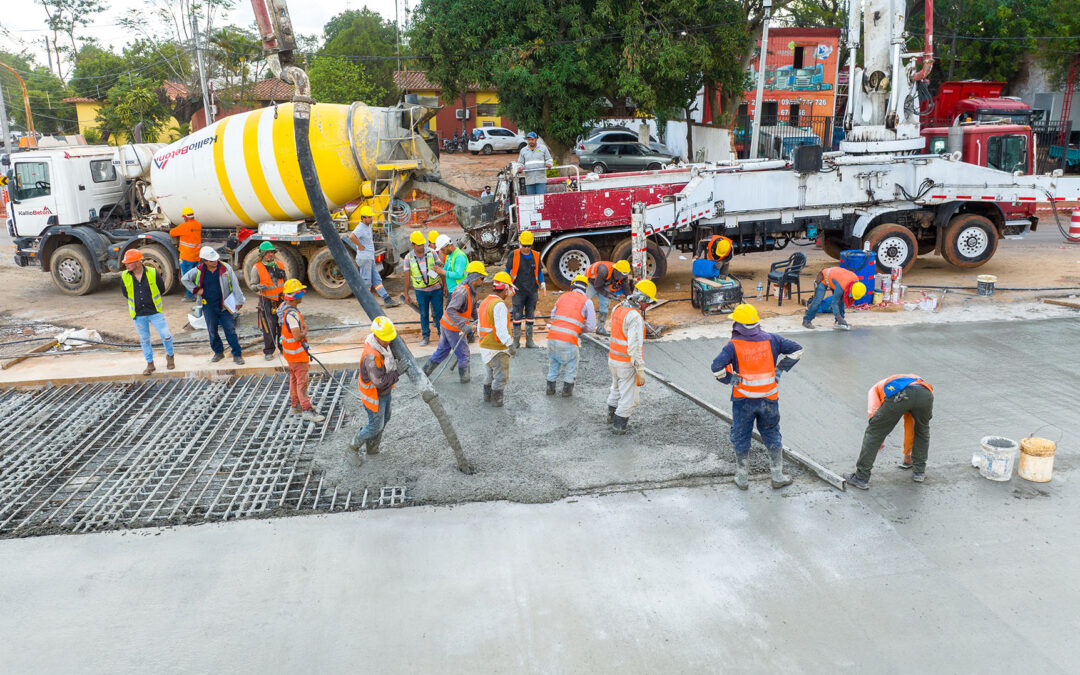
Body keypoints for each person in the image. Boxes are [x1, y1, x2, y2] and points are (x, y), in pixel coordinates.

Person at [710, 304, 804, 490]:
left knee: (741, 434)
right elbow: (797, 350)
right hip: (769, 399)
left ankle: (742, 477)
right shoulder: (772, 340)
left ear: (738, 325)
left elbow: (716, 368)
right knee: (771, 433)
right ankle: (777, 476)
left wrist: (731, 379)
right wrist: (780, 369)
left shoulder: (733, 346)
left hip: (743, 400)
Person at [847, 374, 935, 489]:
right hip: (925, 393)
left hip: (901, 395)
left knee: (873, 432)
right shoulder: (911, 379)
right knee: (922, 430)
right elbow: (911, 426)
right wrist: (908, 456)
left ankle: (861, 477)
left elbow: (875, 417)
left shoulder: (874, 389)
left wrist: (880, 438)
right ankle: (919, 472)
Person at [606, 279, 657, 435]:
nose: (648, 306)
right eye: (647, 303)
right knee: (629, 398)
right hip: (626, 363)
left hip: (613, 359)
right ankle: (618, 427)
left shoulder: (618, 308)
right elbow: (634, 346)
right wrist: (639, 369)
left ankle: (610, 417)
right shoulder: (634, 317)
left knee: (615, 389)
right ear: (641, 299)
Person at [423, 260, 486, 383]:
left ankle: (423, 373)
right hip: (453, 327)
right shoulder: (463, 292)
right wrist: (463, 325)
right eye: (482, 278)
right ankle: (465, 382)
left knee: (443, 350)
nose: (483, 281)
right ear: (475, 278)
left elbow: (472, 309)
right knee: (464, 354)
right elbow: (451, 310)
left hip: (448, 326)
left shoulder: (472, 291)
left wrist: (478, 321)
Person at [181, 245, 246, 365]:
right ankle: (218, 352)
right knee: (212, 331)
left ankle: (237, 354)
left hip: (225, 306)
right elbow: (184, 279)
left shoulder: (226, 268)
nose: (215, 262)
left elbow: (235, 285)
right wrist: (196, 290)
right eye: (211, 261)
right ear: (204, 261)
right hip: (209, 307)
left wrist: (239, 301)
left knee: (230, 330)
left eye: (216, 259)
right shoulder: (199, 271)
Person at [349, 317, 402, 456]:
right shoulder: (371, 357)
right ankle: (353, 445)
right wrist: (397, 373)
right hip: (375, 396)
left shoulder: (383, 345)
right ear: (377, 336)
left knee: (386, 418)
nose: (389, 341)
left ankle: (372, 448)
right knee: (375, 426)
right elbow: (379, 381)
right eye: (386, 338)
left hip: (384, 393)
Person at [276, 279, 325, 423]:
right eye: (301, 292)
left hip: (290, 355)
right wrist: (305, 330)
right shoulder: (292, 315)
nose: (303, 295)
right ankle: (307, 409)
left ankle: (296, 405)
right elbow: (297, 336)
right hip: (297, 355)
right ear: (295, 296)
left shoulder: (284, 309)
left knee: (294, 379)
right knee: (302, 383)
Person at [120, 249, 174, 376]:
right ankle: (150, 364)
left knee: (166, 335)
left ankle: (170, 356)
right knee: (144, 340)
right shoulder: (124, 275)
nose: (126, 265)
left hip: (155, 311)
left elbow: (161, 288)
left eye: (129, 263)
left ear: (138, 262)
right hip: (138, 314)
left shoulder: (153, 272)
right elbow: (125, 294)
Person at [546, 274, 597, 397]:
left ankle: (550, 390)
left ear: (572, 286)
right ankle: (566, 393)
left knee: (553, 364)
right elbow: (590, 326)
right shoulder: (587, 302)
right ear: (585, 288)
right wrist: (578, 329)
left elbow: (553, 317)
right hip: (568, 340)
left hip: (552, 337)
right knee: (571, 364)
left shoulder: (562, 297)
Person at [346, 205, 400, 308]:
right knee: (366, 282)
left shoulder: (367, 226)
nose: (372, 218)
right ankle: (367, 302)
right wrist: (360, 245)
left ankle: (387, 299)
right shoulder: (360, 228)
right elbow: (351, 236)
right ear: (363, 218)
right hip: (365, 258)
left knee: (377, 280)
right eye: (369, 217)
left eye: (371, 216)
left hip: (369, 258)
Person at [477, 271, 516, 406]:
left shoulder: (484, 302)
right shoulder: (499, 305)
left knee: (489, 375)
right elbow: (500, 330)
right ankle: (496, 401)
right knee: (500, 377)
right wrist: (509, 344)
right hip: (497, 347)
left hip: (485, 345)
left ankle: (487, 397)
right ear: (505, 289)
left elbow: (479, 326)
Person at [506, 230, 546, 349]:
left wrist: (542, 281)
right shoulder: (514, 254)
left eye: (529, 246)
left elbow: (538, 271)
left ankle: (529, 341)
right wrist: (508, 283)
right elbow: (507, 270)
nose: (526, 248)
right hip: (518, 290)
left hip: (532, 291)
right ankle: (516, 342)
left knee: (530, 316)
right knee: (517, 317)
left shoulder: (536, 255)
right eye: (524, 245)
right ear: (520, 243)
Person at [403, 230, 444, 347]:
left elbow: (440, 270)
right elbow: (406, 276)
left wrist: (444, 285)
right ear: (412, 245)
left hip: (435, 289)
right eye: (419, 245)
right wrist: (406, 294)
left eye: (422, 244)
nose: (421, 247)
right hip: (420, 291)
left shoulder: (432, 253)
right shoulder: (408, 258)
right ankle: (426, 336)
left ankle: (442, 335)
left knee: (439, 313)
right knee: (424, 314)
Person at [251, 241, 287, 361]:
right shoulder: (257, 268)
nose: (270, 255)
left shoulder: (280, 265)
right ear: (262, 255)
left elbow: (285, 282)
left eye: (271, 252)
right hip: (267, 301)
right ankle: (269, 351)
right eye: (267, 253)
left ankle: (283, 348)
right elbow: (252, 285)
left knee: (282, 326)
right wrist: (257, 287)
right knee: (269, 327)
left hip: (281, 300)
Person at [802, 266, 867, 330]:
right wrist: (839, 318)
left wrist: (840, 318)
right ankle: (806, 320)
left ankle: (839, 322)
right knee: (818, 301)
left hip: (835, 278)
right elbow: (834, 303)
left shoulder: (856, 282)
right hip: (824, 277)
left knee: (841, 300)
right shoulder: (841, 286)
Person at [587, 259, 633, 335]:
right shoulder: (603, 271)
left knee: (605, 305)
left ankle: (600, 329)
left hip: (605, 283)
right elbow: (597, 287)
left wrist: (630, 298)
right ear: (616, 271)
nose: (623, 277)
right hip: (592, 282)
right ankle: (576, 324)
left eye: (625, 275)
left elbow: (626, 287)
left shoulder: (623, 274)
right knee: (583, 301)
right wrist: (609, 295)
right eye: (622, 275)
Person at [169, 206, 202, 300]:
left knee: (187, 277)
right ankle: (196, 294)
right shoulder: (198, 225)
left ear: (185, 217)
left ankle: (190, 296)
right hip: (196, 256)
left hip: (186, 256)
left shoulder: (184, 226)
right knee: (195, 277)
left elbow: (172, 233)